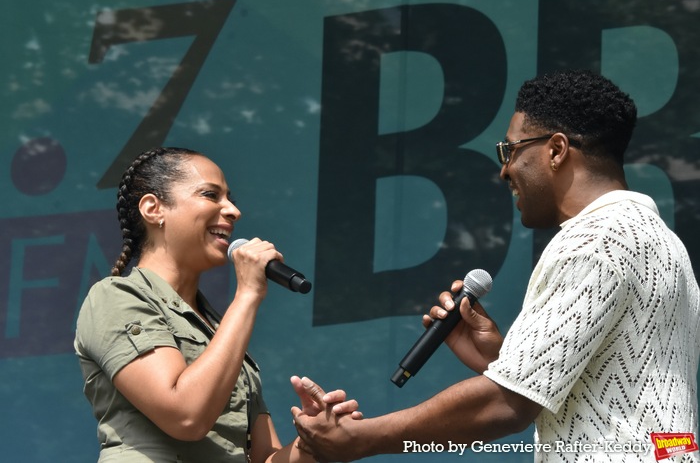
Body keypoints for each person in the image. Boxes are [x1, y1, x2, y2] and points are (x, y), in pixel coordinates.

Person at [292, 70, 700, 462]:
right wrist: (503, 360)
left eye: (510, 150)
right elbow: (623, 396)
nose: (505, 169)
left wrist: (361, 439)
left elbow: (507, 406)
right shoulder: (664, 244)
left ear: (556, 150)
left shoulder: (592, 241)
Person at [74, 146, 361, 463]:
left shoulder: (217, 328)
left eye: (231, 201)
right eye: (211, 195)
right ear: (154, 209)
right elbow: (185, 415)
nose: (234, 212)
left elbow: (264, 457)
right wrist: (249, 293)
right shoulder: (116, 297)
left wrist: (313, 440)